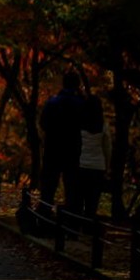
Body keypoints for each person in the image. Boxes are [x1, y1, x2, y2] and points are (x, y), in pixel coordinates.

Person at [39, 71, 85, 206]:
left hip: (52, 148)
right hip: (73, 149)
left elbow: (43, 123)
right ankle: (69, 219)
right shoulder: (81, 104)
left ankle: (44, 214)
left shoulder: (52, 102)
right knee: (71, 187)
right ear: (77, 85)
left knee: (48, 185)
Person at [76, 95, 111, 220]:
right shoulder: (102, 125)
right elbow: (107, 148)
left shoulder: (79, 124)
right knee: (93, 201)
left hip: (81, 165)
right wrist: (107, 167)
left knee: (78, 199)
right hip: (98, 167)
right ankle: (89, 227)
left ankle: (75, 228)